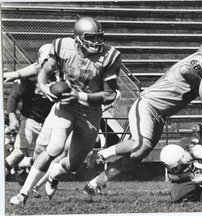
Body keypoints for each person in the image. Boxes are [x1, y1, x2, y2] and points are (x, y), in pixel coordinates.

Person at [83, 42, 202, 193]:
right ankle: (101, 154)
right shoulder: (201, 60)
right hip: (149, 105)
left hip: (159, 115)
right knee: (139, 145)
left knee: (133, 160)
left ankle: (95, 184)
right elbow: (186, 70)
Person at [10, 16, 121, 205]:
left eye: (98, 37)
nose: (96, 42)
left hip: (90, 112)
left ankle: (54, 174)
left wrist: (80, 96)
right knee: (54, 147)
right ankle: (23, 194)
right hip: (67, 106)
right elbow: (45, 68)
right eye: (91, 38)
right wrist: (44, 87)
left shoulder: (110, 56)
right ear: (78, 38)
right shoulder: (63, 46)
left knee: (73, 164)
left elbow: (110, 95)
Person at [5, 44, 54, 177]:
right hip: (30, 118)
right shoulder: (29, 76)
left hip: (50, 122)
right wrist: (12, 117)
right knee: (18, 153)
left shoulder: (60, 76)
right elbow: (14, 97)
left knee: (48, 156)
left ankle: (26, 168)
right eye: (48, 61)